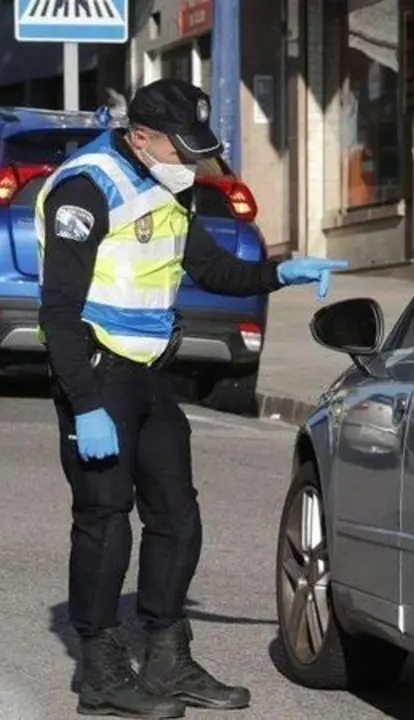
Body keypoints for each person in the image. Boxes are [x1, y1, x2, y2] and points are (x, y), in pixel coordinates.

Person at [36, 78, 348, 718]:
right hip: (98, 371)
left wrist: (279, 272)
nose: (194, 162)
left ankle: (167, 655)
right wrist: (86, 403)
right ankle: (98, 671)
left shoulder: (167, 184)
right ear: (141, 136)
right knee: (104, 518)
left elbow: (210, 270)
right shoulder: (85, 189)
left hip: (150, 373)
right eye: (183, 148)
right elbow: (59, 313)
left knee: (177, 517)